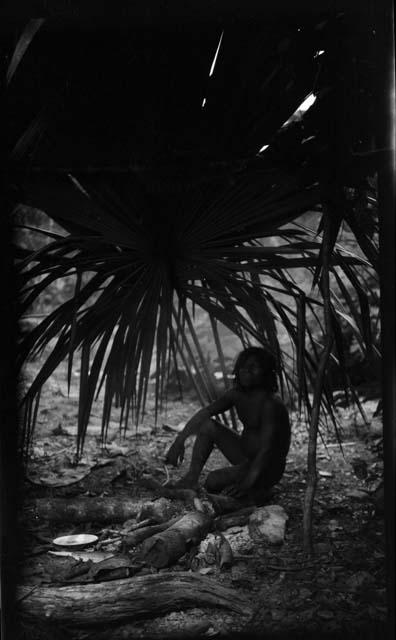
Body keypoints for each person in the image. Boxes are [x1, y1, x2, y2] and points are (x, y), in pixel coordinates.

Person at [165, 346, 291, 502]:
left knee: (213, 481)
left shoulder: (270, 404)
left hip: (268, 467)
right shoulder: (237, 395)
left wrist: (246, 484)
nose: (246, 371)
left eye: (253, 367)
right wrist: (179, 441)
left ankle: (260, 490)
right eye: (243, 367)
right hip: (245, 458)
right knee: (208, 425)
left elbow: (267, 450)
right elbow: (205, 413)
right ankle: (191, 478)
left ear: (266, 372)